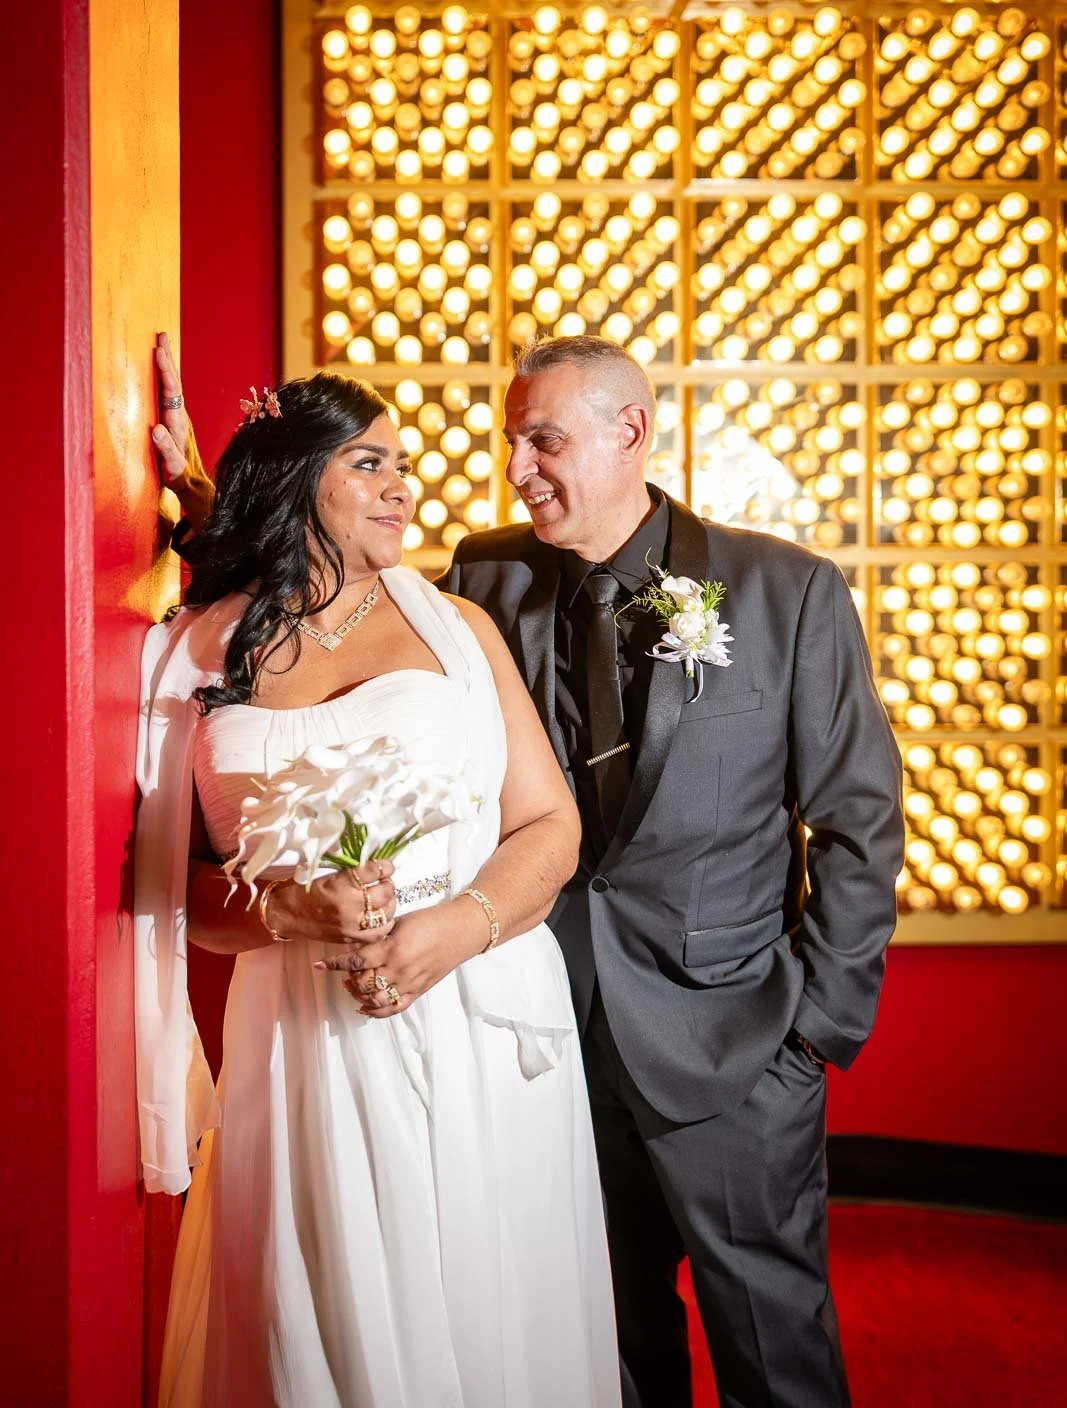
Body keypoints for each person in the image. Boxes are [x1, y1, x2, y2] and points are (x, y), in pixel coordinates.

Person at [158, 333, 905, 1408]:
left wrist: (811, 1030)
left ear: (629, 432)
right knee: (608, 1343)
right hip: (541, 1043)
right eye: (512, 440)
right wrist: (218, 510)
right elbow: (318, 609)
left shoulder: (781, 590)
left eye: (543, 441)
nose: (516, 467)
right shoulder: (482, 575)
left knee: (773, 1348)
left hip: (733, 1045)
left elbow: (855, 819)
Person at [136, 366, 621, 1407]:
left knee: (484, 1320)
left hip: (469, 1016)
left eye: (402, 464)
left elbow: (550, 827)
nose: (403, 486)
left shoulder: (458, 631)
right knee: (315, 1331)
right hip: (298, 1041)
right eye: (369, 464)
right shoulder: (195, 653)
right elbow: (174, 895)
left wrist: (455, 927)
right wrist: (288, 909)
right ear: (297, 476)